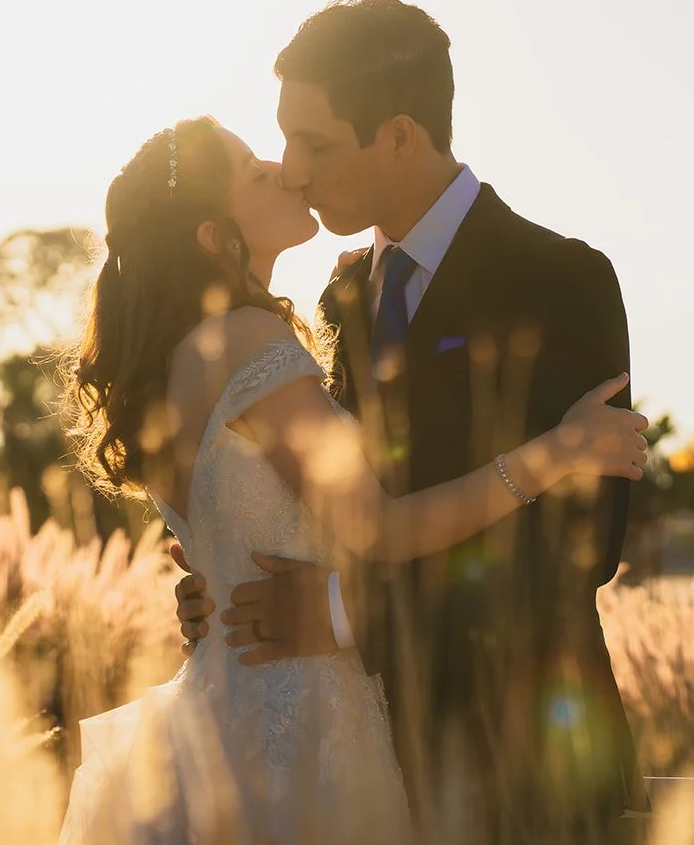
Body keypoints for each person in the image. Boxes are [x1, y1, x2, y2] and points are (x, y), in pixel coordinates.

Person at [57, 114, 648, 845]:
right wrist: (555, 451)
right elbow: (383, 526)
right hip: (302, 727)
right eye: (258, 170)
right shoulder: (250, 341)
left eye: (302, 144)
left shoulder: (183, 359)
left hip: (228, 716)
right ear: (215, 236)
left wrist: (212, 584)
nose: (287, 169)